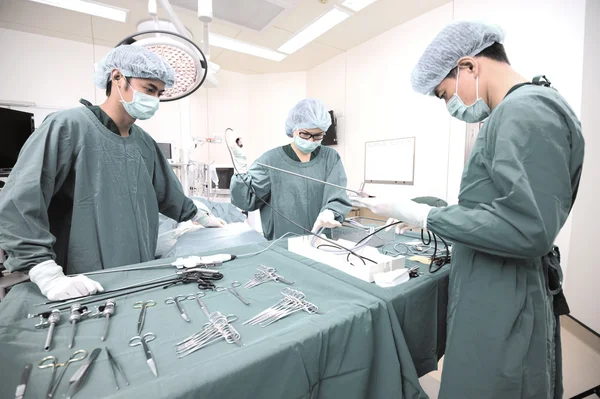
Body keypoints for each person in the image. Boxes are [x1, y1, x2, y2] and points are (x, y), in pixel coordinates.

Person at [354, 21, 584, 399]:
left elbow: (526, 227)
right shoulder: (516, 112)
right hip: (492, 284)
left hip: (504, 298)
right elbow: (494, 205)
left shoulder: (526, 111)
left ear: (469, 67)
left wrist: (423, 216)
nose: (450, 106)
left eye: (444, 95)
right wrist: (422, 208)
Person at [0, 45, 224, 301]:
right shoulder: (68, 126)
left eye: (160, 93)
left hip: (137, 269)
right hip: (79, 278)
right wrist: (43, 270)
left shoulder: (144, 143)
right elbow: (19, 202)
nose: (154, 100)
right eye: (149, 89)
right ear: (117, 78)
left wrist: (203, 218)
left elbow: (167, 193)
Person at [230, 99, 351, 240]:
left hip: (321, 241)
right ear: (294, 129)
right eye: (305, 134)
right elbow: (245, 200)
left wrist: (331, 212)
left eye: (318, 135)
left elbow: (338, 196)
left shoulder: (330, 158)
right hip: (282, 243)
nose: (311, 141)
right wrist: (240, 168)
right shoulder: (270, 160)